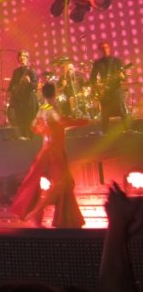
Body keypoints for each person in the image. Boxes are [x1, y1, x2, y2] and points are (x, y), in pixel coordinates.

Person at [10, 81, 89, 228]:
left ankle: (50, 219)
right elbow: (62, 121)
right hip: (55, 151)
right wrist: (83, 122)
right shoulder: (52, 109)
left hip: (47, 149)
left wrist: (48, 130)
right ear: (55, 92)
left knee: (56, 185)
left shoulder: (43, 108)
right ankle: (36, 213)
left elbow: (34, 126)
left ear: (43, 94)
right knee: (59, 185)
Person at [89, 41, 130, 133]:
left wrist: (122, 77)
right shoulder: (98, 63)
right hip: (105, 91)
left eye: (106, 47)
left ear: (109, 48)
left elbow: (124, 77)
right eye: (102, 48)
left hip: (116, 89)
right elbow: (92, 78)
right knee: (105, 113)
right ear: (100, 50)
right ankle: (104, 132)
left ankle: (127, 130)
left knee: (122, 110)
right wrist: (98, 87)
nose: (105, 49)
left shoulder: (117, 61)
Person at [7, 50, 39, 139]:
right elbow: (11, 85)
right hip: (19, 100)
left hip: (29, 100)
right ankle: (23, 138)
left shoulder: (31, 70)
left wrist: (29, 82)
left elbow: (35, 85)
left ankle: (32, 139)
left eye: (24, 57)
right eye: (20, 57)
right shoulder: (16, 72)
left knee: (30, 120)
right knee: (20, 120)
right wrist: (10, 93)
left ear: (27, 59)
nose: (22, 59)